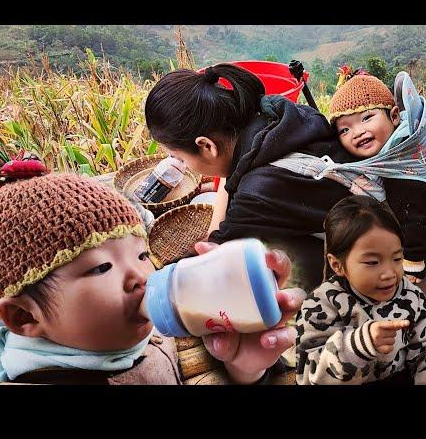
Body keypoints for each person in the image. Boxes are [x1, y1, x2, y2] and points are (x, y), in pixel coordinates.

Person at [0, 170, 302, 384]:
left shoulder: (111, 331)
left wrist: (244, 368)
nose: (141, 277)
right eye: (101, 267)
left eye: (142, 255)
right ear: (23, 316)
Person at [144, 64, 358, 292]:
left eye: (179, 157)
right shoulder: (275, 112)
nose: (182, 165)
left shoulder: (256, 193)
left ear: (206, 146)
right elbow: (232, 180)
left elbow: (202, 265)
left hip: (356, 260)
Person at [273, 69, 426, 310]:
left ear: (394, 116)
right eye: (345, 129)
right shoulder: (384, 154)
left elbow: (415, 215)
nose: (357, 132)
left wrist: (413, 262)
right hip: (408, 223)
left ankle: (418, 321)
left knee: (420, 288)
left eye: (367, 118)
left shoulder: (403, 165)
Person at [295, 195, 426, 385]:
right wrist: (359, 345)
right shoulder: (320, 305)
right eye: (372, 262)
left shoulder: (411, 297)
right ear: (337, 265)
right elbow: (308, 376)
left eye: (397, 259)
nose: (389, 273)